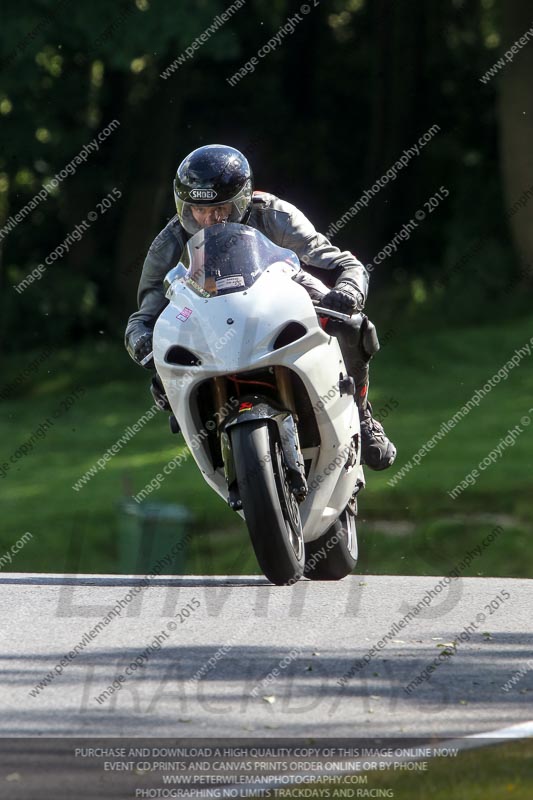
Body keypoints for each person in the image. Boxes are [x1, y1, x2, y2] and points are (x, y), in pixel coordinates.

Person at [125, 144, 396, 470]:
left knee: (353, 325)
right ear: (185, 206)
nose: (210, 219)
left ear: (242, 200)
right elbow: (143, 314)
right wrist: (143, 343)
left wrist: (348, 290)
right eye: (198, 210)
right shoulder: (168, 242)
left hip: (278, 293)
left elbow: (341, 262)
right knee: (162, 375)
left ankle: (362, 416)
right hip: (203, 316)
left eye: (221, 209)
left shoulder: (274, 214)